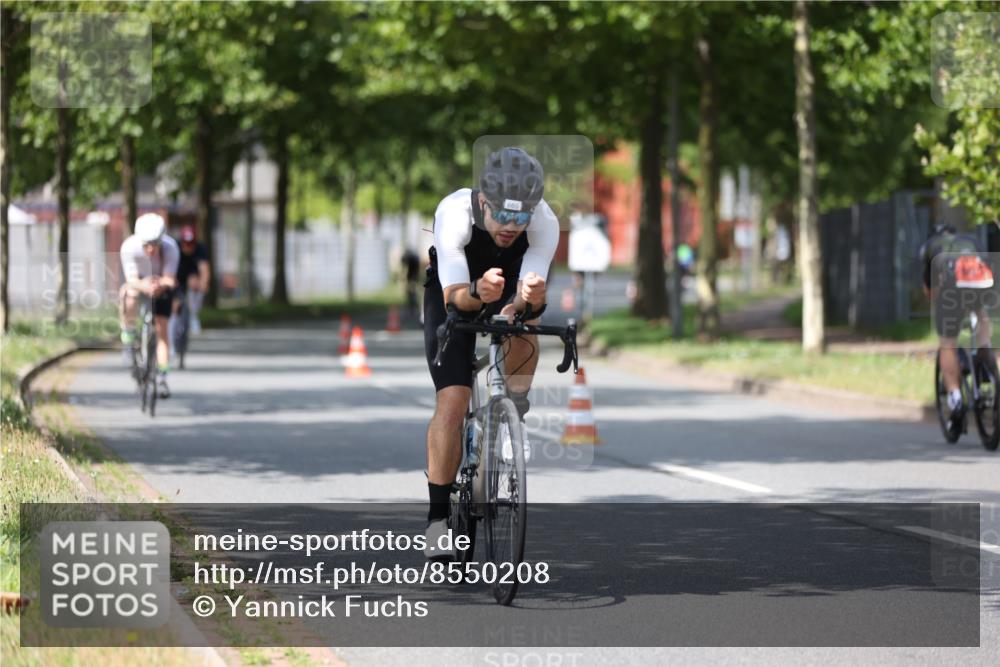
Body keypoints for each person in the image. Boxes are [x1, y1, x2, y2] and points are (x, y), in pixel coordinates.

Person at [422, 147, 559, 559]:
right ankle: (437, 520)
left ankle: (513, 413)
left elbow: (529, 297)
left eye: (521, 218)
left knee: (526, 324)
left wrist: (527, 300)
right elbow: (453, 295)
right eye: (502, 215)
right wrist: (478, 292)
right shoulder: (454, 212)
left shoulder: (545, 221)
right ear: (483, 201)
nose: (511, 227)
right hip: (457, 290)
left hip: (507, 290)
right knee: (453, 401)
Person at [920, 223, 996, 428]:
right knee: (980, 314)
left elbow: (931, 291)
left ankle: (955, 398)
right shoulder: (972, 240)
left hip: (952, 288)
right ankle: (986, 357)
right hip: (982, 282)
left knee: (947, 343)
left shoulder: (931, 246)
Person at [119, 213, 179, 398]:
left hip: (160, 286)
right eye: (146, 245)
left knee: (162, 331)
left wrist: (160, 285)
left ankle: (162, 377)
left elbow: (170, 279)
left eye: (155, 244)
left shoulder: (171, 248)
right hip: (139, 283)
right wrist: (144, 285)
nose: (151, 249)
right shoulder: (129, 247)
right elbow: (131, 279)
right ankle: (129, 334)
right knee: (128, 295)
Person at [173, 224, 211, 336]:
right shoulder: (175, 248)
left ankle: (194, 316)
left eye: (191, 244)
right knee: (175, 303)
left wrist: (203, 284)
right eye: (185, 243)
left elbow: (204, 270)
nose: (188, 247)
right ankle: (174, 324)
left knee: (197, 284)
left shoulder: (200, 249)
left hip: (192, 277)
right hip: (176, 277)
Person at [401, 248, 421, 319]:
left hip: (413, 278)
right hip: (412, 278)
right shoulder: (413, 259)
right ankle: (412, 309)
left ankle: (413, 309)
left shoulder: (412, 260)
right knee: (411, 294)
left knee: (412, 294)